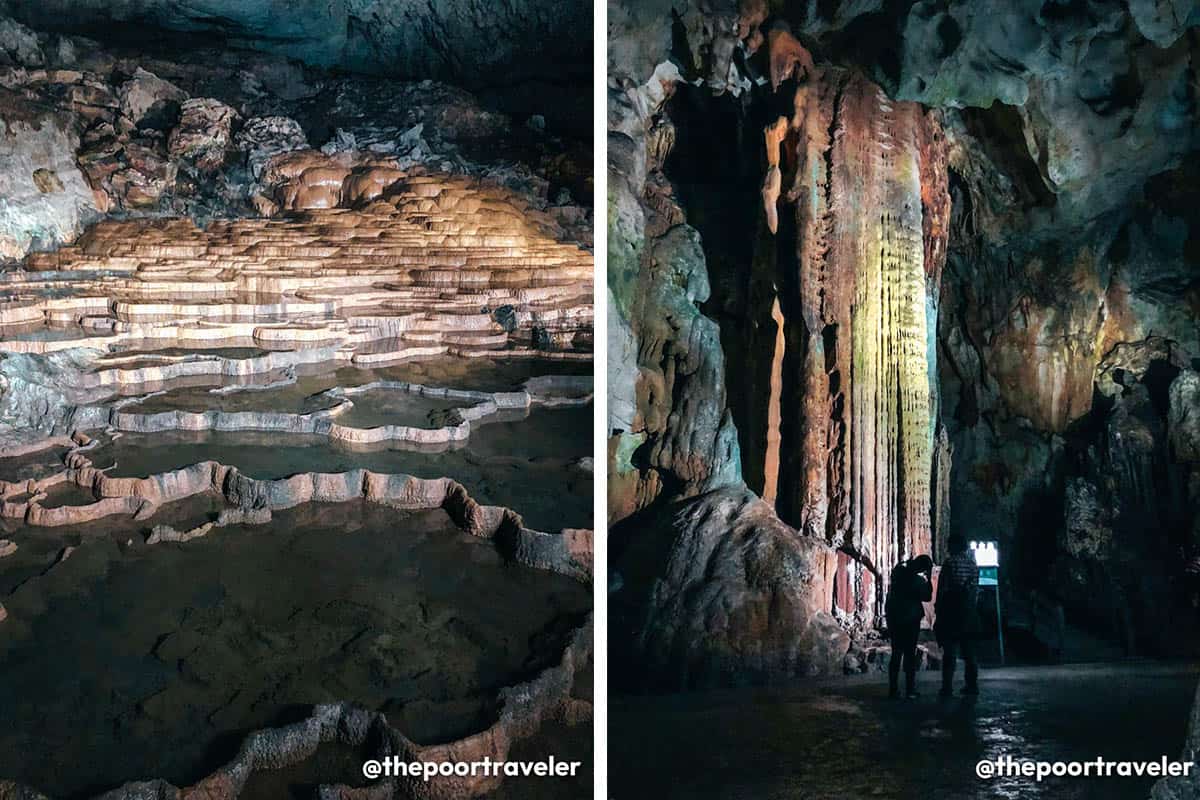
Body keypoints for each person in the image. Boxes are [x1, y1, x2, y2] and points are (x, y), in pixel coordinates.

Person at [936, 535, 980, 697]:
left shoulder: (950, 563)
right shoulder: (973, 565)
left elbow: (942, 589)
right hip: (968, 613)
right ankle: (972, 685)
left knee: (950, 652)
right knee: (970, 653)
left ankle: (947, 687)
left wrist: (938, 611)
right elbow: (975, 591)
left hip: (952, 613)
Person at [885, 554, 933, 698]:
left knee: (896, 653)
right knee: (909, 655)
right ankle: (910, 690)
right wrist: (929, 578)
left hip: (895, 618)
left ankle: (893, 690)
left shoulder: (898, 572)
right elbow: (927, 596)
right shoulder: (917, 581)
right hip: (911, 620)